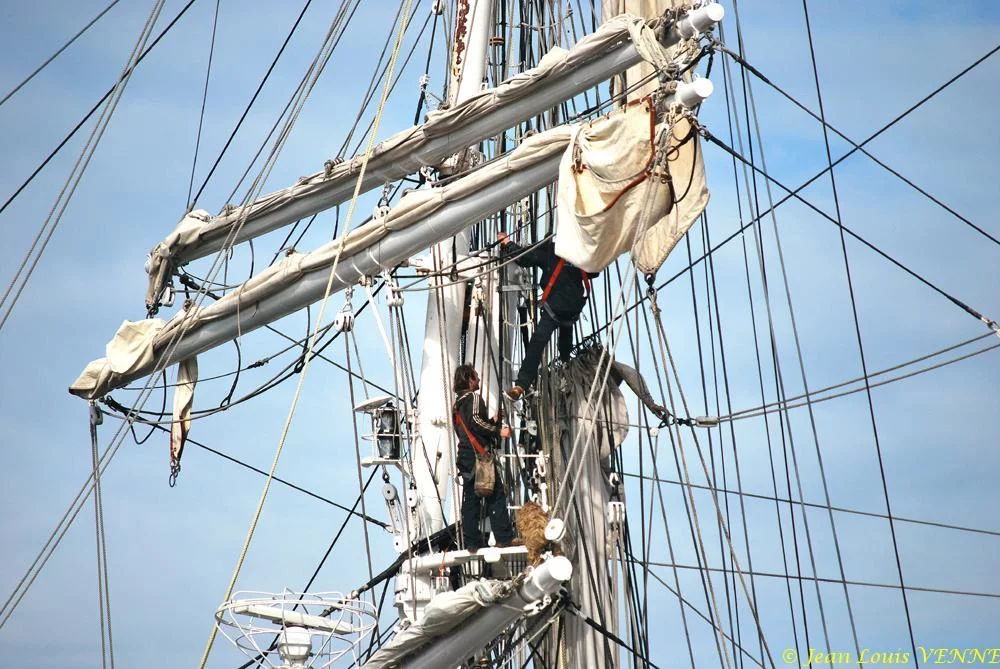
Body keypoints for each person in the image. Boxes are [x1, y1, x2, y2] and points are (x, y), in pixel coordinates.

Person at [498, 231, 597, 399]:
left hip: (554, 309)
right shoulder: (579, 254)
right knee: (565, 340)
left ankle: (521, 385)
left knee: (537, 343)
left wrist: (507, 243)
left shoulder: (551, 252)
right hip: (572, 309)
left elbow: (524, 258)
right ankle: (566, 365)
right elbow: (594, 271)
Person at [452, 364, 518, 550]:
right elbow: (476, 422)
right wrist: (498, 431)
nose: (479, 379)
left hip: (465, 455)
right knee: (495, 494)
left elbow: (469, 427)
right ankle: (504, 538)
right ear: (469, 379)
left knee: (471, 499)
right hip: (478, 455)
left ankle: (471, 542)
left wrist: (493, 421)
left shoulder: (457, 404)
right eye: (476, 376)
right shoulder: (473, 397)